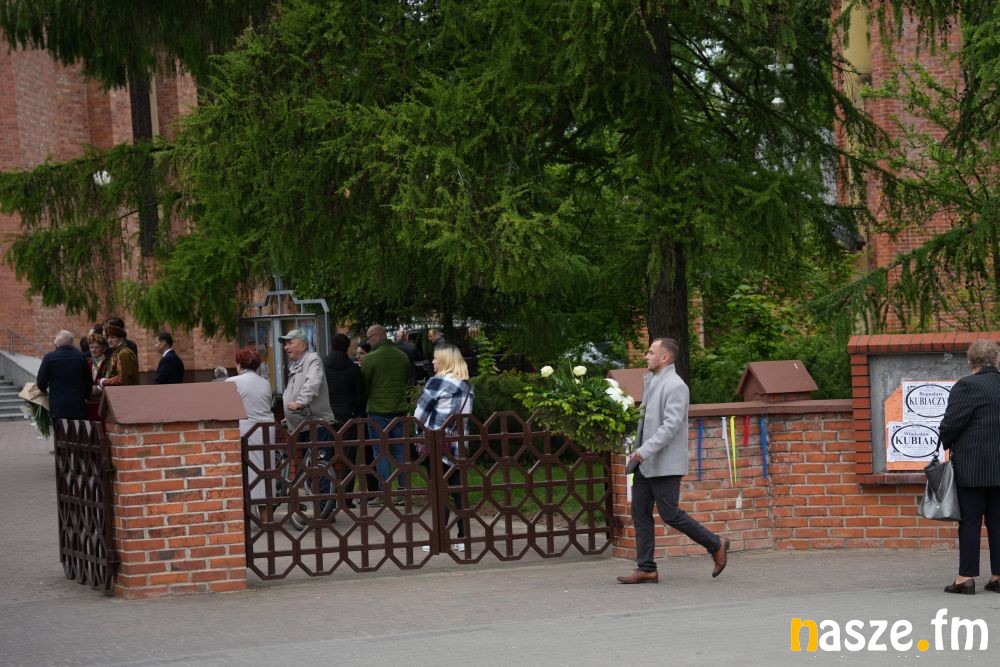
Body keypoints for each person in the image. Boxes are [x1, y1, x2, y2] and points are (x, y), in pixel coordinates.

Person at [618, 337, 729, 584]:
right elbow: (647, 422)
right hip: (645, 463)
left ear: (665, 357)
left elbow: (671, 426)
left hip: (664, 463)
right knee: (640, 513)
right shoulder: (652, 381)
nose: (646, 356)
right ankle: (646, 568)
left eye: (651, 352)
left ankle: (716, 544)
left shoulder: (676, 386)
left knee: (670, 514)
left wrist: (644, 450)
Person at [937, 339, 1000, 595]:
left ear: (971, 362)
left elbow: (951, 425)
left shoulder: (967, 386)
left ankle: (965, 578)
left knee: (970, 521)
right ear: (996, 360)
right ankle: (998, 577)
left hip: (973, 467)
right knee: (998, 521)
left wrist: (946, 440)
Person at [413, 344, 474, 552]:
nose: (432, 361)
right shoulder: (466, 385)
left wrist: (417, 434)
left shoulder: (437, 382)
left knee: (439, 492)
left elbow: (419, 414)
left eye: (435, 358)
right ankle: (463, 538)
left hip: (437, 444)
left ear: (445, 360)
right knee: (458, 491)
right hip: (458, 446)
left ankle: (439, 537)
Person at [280, 329, 337, 515]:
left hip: (317, 424)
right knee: (310, 469)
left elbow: (313, 383)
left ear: (303, 345)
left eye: (290, 342)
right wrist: (289, 415)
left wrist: (300, 402)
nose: (286, 347)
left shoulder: (312, 359)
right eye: (285, 344)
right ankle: (321, 508)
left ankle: (325, 512)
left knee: (319, 468)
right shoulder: (296, 365)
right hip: (304, 425)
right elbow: (293, 391)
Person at [361, 324, 412, 505]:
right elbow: (406, 380)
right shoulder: (403, 357)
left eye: (369, 338)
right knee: (401, 451)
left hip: (377, 411)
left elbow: (365, 385)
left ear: (377, 336)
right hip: (399, 410)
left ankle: (385, 492)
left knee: (380, 452)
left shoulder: (370, 359)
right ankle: (404, 491)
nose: (368, 342)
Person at [227, 347, 276, 519]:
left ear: (239, 364)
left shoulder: (232, 382)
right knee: (265, 473)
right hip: (266, 430)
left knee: (244, 474)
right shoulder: (265, 383)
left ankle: (244, 519)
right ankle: (266, 519)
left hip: (245, 430)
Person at [324, 333, 366, 504]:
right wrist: (357, 412)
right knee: (348, 457)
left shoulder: (323, 366)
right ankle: (347, 497)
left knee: (326, 457)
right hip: (348, 417)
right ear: (347, 347)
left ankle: (328, 497)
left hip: (327, 416)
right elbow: (360, 396)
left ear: (332, 346)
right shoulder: (353, 369)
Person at [36, 330, 91, 421]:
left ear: (56, 345)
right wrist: (86, 397)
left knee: (60, 430)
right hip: (78, 406)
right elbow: (88, 382)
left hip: (58, 407)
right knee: (78, 430)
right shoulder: (81, 357)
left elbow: (41, 382)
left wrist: (45, 390)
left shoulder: (49, 357)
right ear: (71, 343)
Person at [85, 333, 109, 420]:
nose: (93, 350)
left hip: (102, 402)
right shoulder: (87, 363)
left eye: (96, 347)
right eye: (91, 347)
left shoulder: (108, 362)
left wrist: (99, 388)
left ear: (103, 348)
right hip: (89, 402)